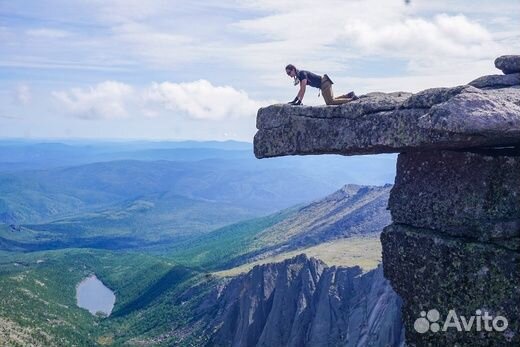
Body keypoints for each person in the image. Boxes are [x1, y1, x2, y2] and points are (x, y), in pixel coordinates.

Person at [285, 64, 358, 105]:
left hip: (324, 83)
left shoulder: (302, 74)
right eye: (287, 73)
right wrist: (295, 100)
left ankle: (352, 99)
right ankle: (349, 95)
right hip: (324, 83)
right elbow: (301, 89)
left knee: (330, 102)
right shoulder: (299, 76)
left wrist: (299, 102)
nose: (288, 75)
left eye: (289, 73)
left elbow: (303, 89)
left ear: (293, 69)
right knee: (332, 100)